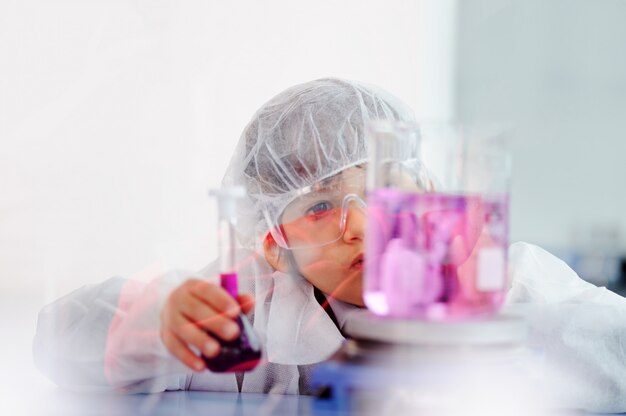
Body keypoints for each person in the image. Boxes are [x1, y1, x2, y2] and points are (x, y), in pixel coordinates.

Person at [33, 78, 626, 412]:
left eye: (383, 189)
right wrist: (156, 321)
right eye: (319, 206)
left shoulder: (511, 289)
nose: (363, 224)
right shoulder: (251, 305)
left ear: (429, 191)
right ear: (272, 242)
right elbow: (58, 337)